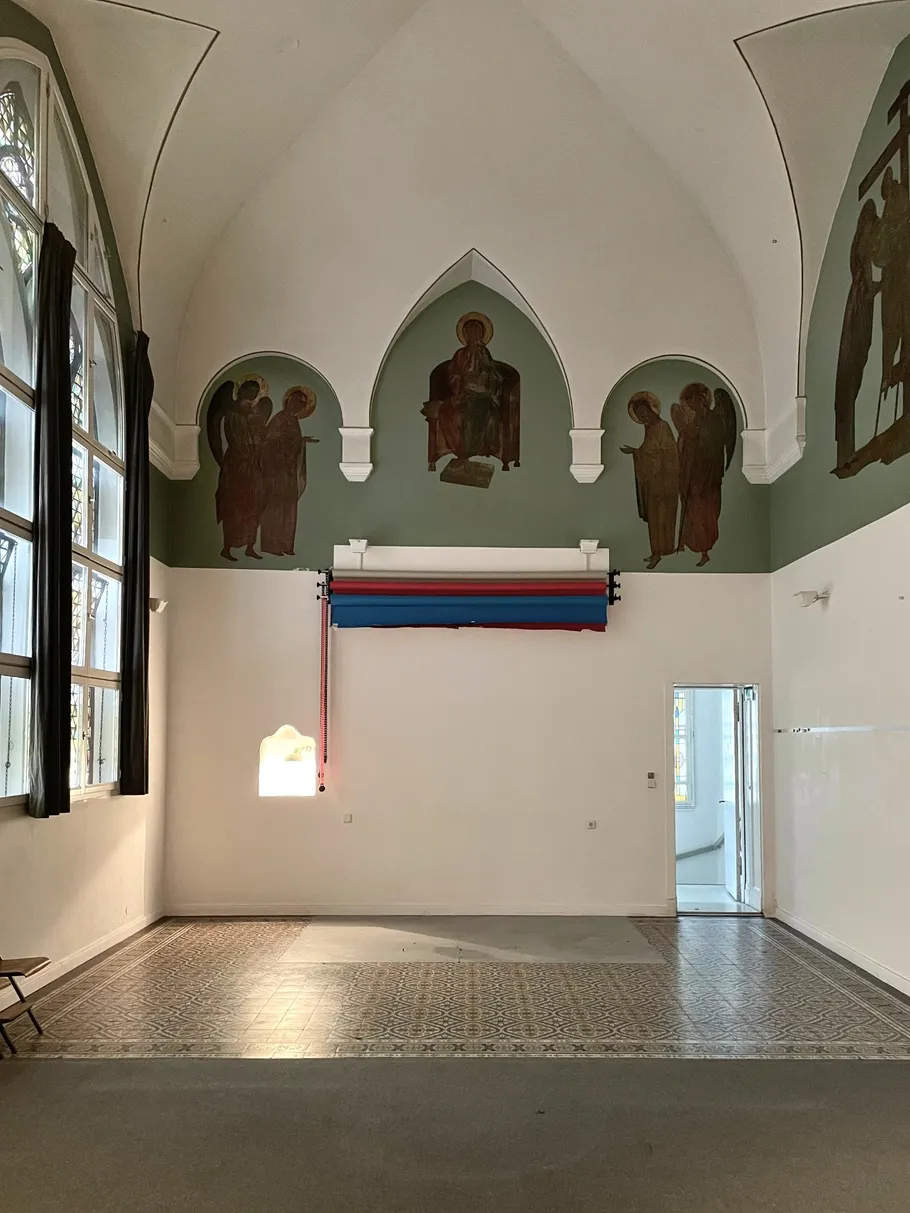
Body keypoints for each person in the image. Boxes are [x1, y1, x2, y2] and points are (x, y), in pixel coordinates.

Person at [834, 198, 879, 470]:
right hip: (857, 327)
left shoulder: (861, 270)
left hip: (857, 322)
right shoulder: (861, 275)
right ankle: (845, 451)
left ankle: (846, 451)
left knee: (852, 384)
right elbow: (866, 290)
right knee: (850, 384)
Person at [208, 376, 269, 562]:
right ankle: (226, 547)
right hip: (236, 463)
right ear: (240, 390)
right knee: (233, 507)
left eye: (254, 392)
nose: (250, 394)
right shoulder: (232, 411)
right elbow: (224, 429)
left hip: (252, 465)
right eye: (247, 390)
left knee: (254, 505)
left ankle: (250, 546)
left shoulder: (254, 412)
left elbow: (260, 435)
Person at [672, 382, 729, 567]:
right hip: (692, 474)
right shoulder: (696, 420)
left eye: (692, 402)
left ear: (701, 399)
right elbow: (687, 438)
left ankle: (705, 550)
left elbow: (714, 446)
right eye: (688, 404)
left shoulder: (714, 419)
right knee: (691, 507)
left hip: (708, 475)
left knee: (705, 511)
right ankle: (688, 542)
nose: (690, 406)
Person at [621, 392, 679, 569]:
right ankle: (656, 552)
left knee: (663, 516)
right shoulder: (650, 429)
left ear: (651, 409)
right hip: (654, 482)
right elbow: (649, 451)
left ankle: (662, 551)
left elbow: (667, 453)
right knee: (654, 518)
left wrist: (638, 453)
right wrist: (636, 452)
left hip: (666, 481)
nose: (642, 416)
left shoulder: (663, 427)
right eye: (639, 414)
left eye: (643, 412)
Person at [259, 387, 319, 557]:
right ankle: (272, 545)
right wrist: (286, 447)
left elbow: (292, 441)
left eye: (301, 404)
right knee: (275, 508)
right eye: (295, 402)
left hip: (288, 472)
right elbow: (269, 442)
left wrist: (302, 441)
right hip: (275, 471)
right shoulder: (279, 419)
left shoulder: (293, 421)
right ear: (288, 402)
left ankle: (285, 544)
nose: (297, 406)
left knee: (289, 507)